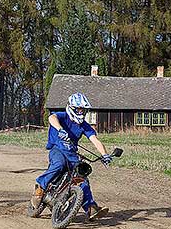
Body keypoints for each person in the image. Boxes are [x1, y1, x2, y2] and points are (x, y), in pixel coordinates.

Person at [31, 92, 112, 220]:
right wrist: (60, 129)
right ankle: (40, 187)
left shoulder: (84, 125)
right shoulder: (63, 116)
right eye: (78, 109)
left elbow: (95, 140)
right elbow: (51, 118)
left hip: (72, 154)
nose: (81, 112)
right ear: (71, 108)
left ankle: (90, 208)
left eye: (83, 110)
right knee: (59, 164)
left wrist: (105, 155)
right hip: (57, 150)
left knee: (82, 178)